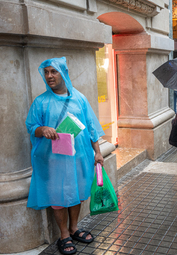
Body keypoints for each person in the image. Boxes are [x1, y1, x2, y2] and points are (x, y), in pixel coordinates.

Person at [26, 57, 105, 255]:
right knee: (58, 197)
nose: (49, 76)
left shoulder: (79, 98)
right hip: (53, 160)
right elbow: (31, 127)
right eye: (46, 72)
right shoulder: (41, 101)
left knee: (77, 193)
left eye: (54, 71)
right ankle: (64, 235)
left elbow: (91, 127)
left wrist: (98, 151)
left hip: (79, 157)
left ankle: (74, 228)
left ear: (64, 73)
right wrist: (42, 129)